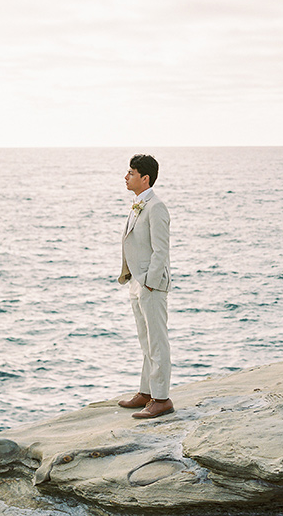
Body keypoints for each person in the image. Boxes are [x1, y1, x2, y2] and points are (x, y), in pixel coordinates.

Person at [117, 154, 173, 418]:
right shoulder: (138, 204)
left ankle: (161, 399)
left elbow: (161, 250)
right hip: (137, 283)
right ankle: (147, 392)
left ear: (145, 178)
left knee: (157, 341)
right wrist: (134, 280)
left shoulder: (156, 207)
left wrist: (149, 282)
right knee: (144, 340)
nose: (126, 176)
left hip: (151, 284)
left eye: (131, 172)